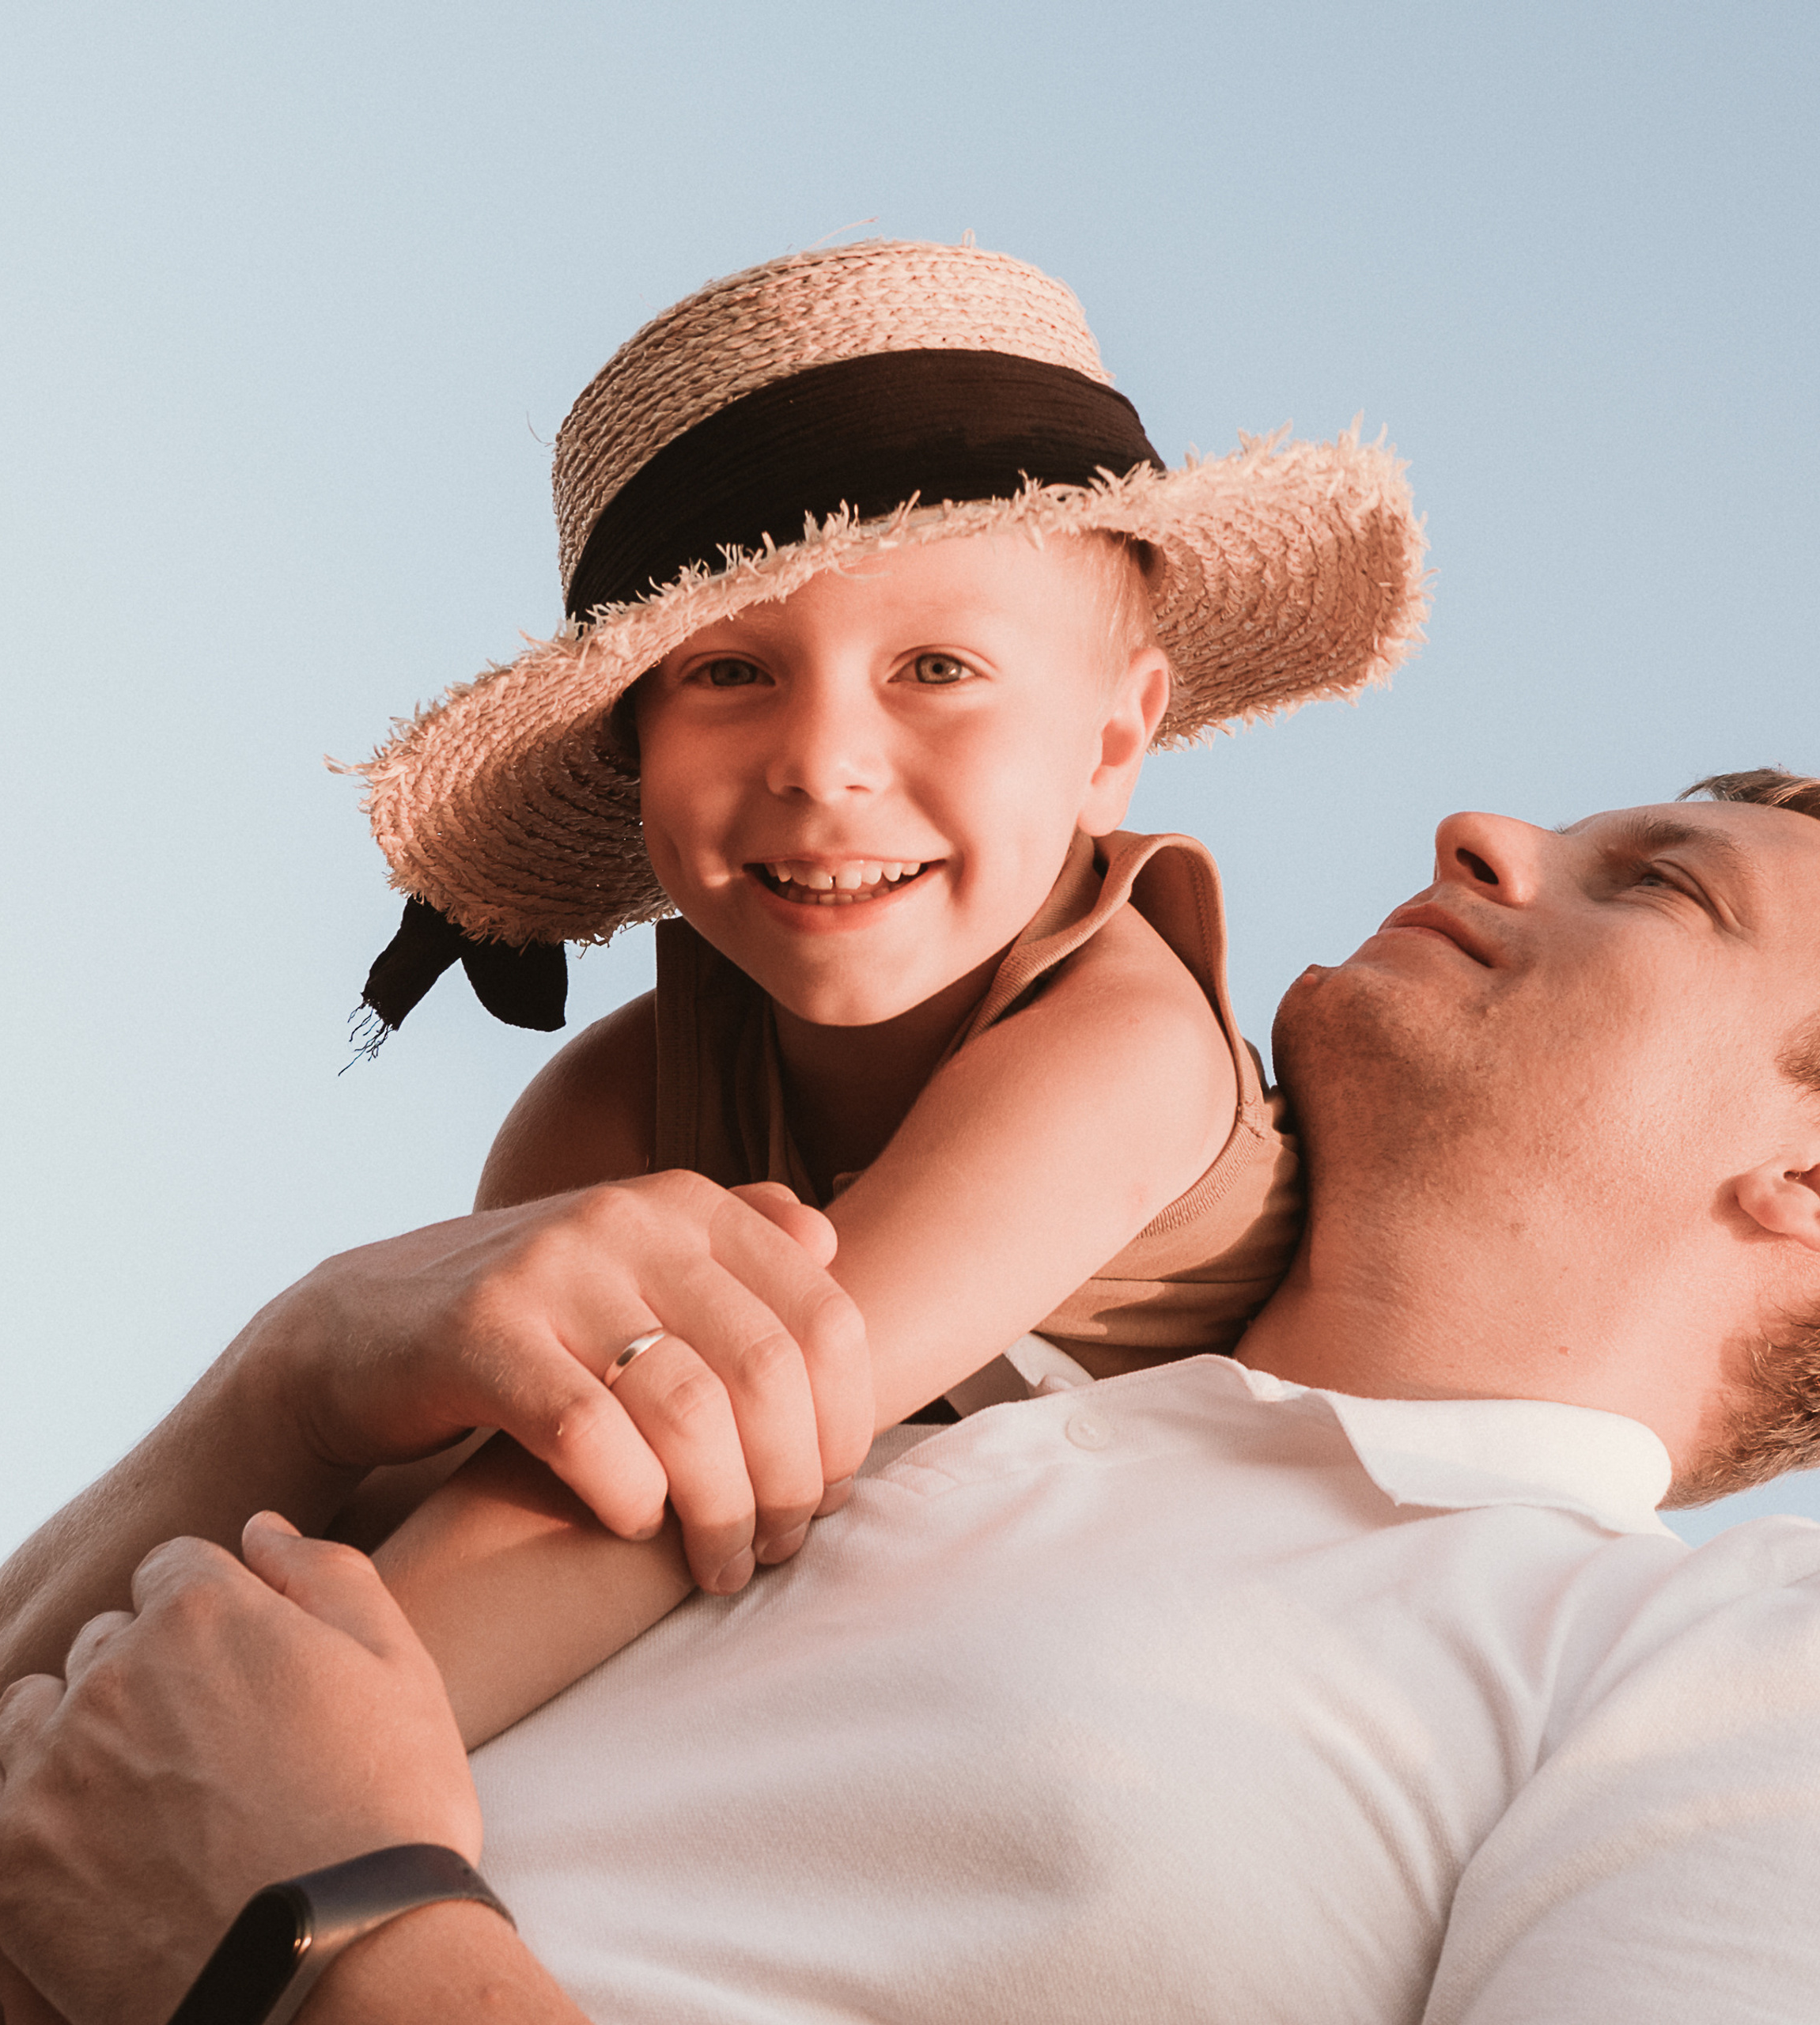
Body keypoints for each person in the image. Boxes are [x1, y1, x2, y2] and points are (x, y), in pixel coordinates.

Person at [0, 768, 1820, 2022]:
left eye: (1653, 884)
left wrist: (327, 1934)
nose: (1481, 828)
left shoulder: (1776, 1667)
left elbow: (233, 1867)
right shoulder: (872, 1374)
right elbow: (13, 1799)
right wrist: (283, 1384)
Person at [331, 236, 1424, 1741]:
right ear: (634, 751)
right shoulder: (616, 1106)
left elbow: (739, 1422)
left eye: (935, 669)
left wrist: (252, 1754)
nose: (821, 760)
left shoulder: (1122, 1034)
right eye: (727, 673)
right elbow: (426, 1502)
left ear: (1114, 740)